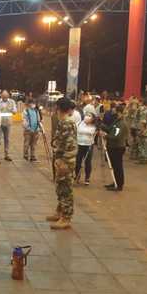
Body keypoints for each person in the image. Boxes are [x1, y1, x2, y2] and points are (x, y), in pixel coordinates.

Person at [47, 97, 78, 230]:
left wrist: (63, 161)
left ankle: (66, 217)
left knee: (65, 189)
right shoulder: (64, 122)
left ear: (58, 108)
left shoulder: (66, 123)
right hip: (61, 160)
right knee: (60, 187)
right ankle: (60, 211)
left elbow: (68, 145)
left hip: (65, 161)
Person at [100, 104, 129, 191]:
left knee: (117, 167)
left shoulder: (121, 123)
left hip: (117, 147)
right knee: (114, 166)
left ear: (119, 112)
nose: (112, 112)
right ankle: (115, 181)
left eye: (114, 111)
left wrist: (106, 136)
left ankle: (119, 184)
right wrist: (101, 125)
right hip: (113, 147)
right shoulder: (117, 121)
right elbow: (110, 129)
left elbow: (116, 136)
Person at [75, 114, 97, 185]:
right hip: (79, 144)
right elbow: (78, 130)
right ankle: (77, 176)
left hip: (88, 145)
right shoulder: (79, 123)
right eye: (87, 115)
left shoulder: (94, 126)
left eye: (89, 116)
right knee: (78, 161)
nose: (87, 117)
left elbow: (91, 132)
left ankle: (87, 178)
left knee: (87, 162)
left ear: (92, 119)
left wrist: (85, 131)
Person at [0, 90, 18, 161]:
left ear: (8, 96)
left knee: (7, 139)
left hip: (8, 123)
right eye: (3, 97)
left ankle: (7, 154)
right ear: (1, 96)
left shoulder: (12, 102)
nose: (4, 98)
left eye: (6, 97)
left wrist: (11, 109)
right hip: (0, 123)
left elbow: (15, 111)